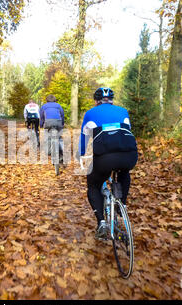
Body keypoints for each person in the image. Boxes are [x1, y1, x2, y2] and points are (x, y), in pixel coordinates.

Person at [78, 88, 138, 239]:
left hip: (105, 158)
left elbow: (84, 137)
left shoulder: (90, 113)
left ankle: (102, 223)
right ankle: (121, 204)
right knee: (124, 172)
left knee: (93, 185)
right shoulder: (123, 111)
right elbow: (127, 131)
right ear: (111, 99)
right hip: (129, 155)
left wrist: (81, 154)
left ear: (96, 101)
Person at [40, 95, 65, 162]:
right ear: (54, 100)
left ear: (47, 100)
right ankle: (63, 150)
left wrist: (41, 125)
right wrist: (62, 124)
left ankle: (48, 151)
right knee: (59, 138)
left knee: (47, 136)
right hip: (58, 122)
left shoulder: (44, 106)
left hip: (48, 123)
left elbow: (41, 117)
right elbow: (62, 115)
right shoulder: (58, 105)